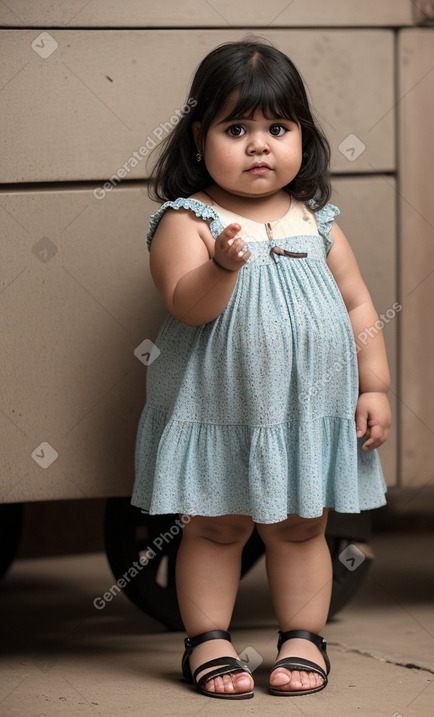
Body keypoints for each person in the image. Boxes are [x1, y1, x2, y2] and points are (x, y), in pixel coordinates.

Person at [131, 36, 391, 700]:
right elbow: (187, 305)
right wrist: (220, 265)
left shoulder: (317, 220)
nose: (258, 144)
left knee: (303, 523)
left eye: (278, 127)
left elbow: (359, 302)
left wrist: (376, 384)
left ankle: (303, 635)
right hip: (221, 410)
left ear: (303, 136)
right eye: (236, 127)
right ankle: (208, 638)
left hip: (305, 413)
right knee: (217, 524)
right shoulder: (188, 220)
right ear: (198, 137)